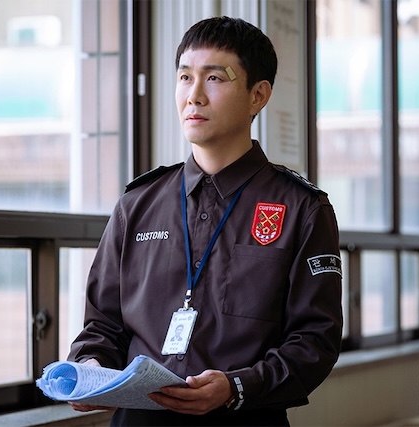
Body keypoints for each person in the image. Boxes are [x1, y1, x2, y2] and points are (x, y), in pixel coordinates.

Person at [67, 16, 342, 426]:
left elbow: (315, 340)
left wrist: (235, 387)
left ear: (258, 95)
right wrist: (91, 368)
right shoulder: (137, 204)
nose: (193, 96)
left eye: (214, 78)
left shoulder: (302, 208)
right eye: (184, 78)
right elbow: (102, 324)